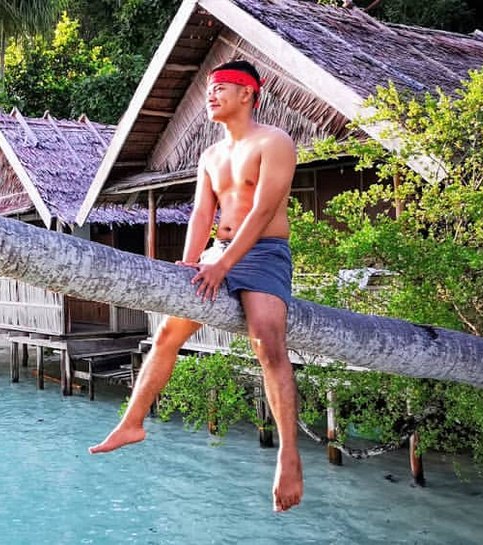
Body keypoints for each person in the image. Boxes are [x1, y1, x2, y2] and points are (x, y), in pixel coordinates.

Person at [89, 59, 303, 512]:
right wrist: (190, 264)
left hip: (263, 254)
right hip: (214, 256)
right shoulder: (210, 156)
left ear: (248, 93)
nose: (211, 95)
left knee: (267, 342)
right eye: (210, 88)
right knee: (167, 333)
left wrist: (224, 264)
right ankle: (132, 421)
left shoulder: (275, 142)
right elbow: (203, 215)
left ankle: (288, 456)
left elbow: (264, 211)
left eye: (222, 87)